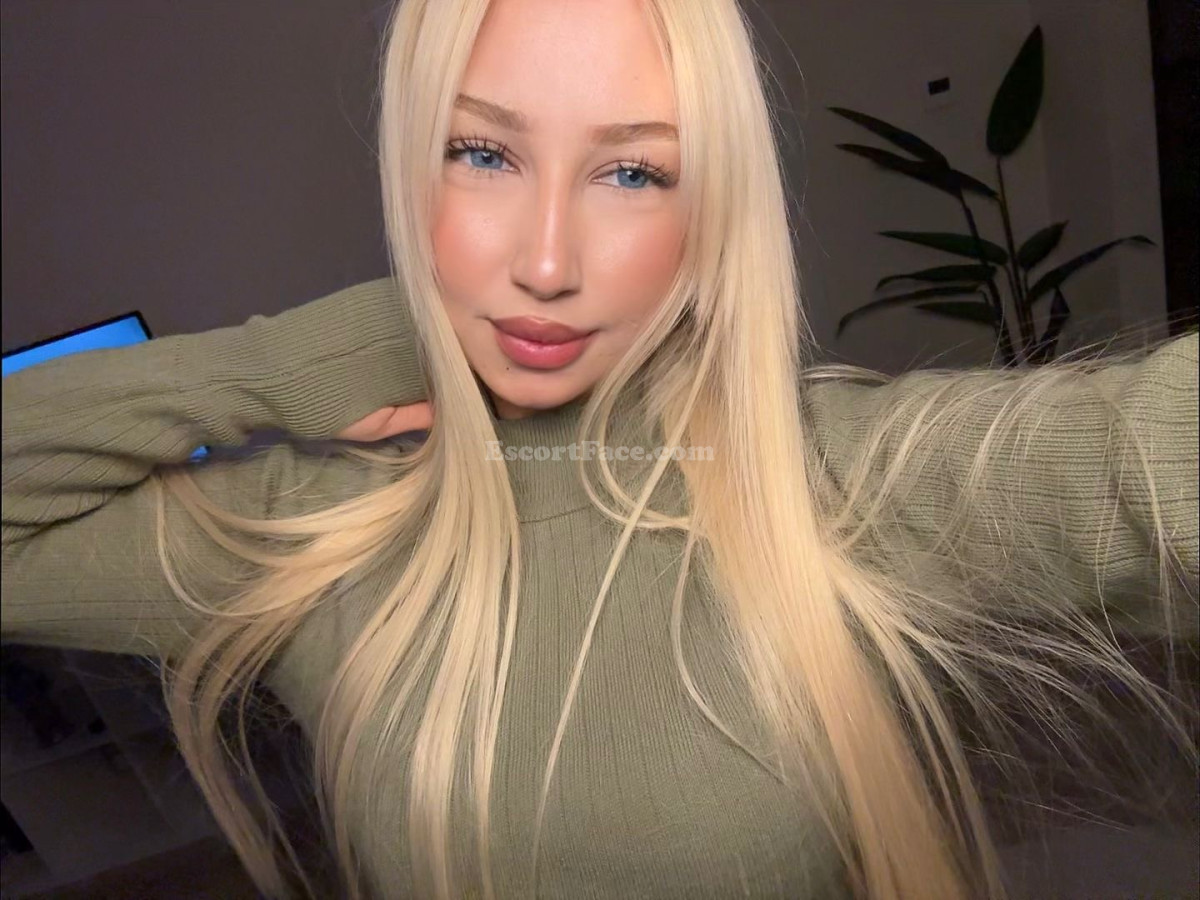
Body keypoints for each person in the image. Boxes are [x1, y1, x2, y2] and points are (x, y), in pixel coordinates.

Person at [2, 1, 1197, 898]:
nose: (546, 261)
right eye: (483, 153)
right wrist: (283, 360)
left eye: (633, 171)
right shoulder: (321, 533)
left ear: (709, 214)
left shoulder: (833, 481)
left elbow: (1137, 459)